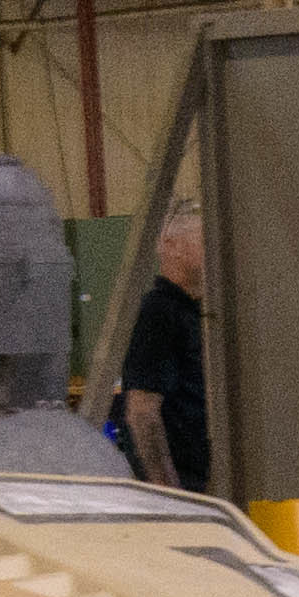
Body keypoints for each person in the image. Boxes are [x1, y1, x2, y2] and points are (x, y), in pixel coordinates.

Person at [113, 204, 216, 492]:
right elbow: (142, 412)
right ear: (173, 247)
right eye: (205, 240)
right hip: (184, 485)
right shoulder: (159, 313)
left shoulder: (199, 314)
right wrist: (167, 486)